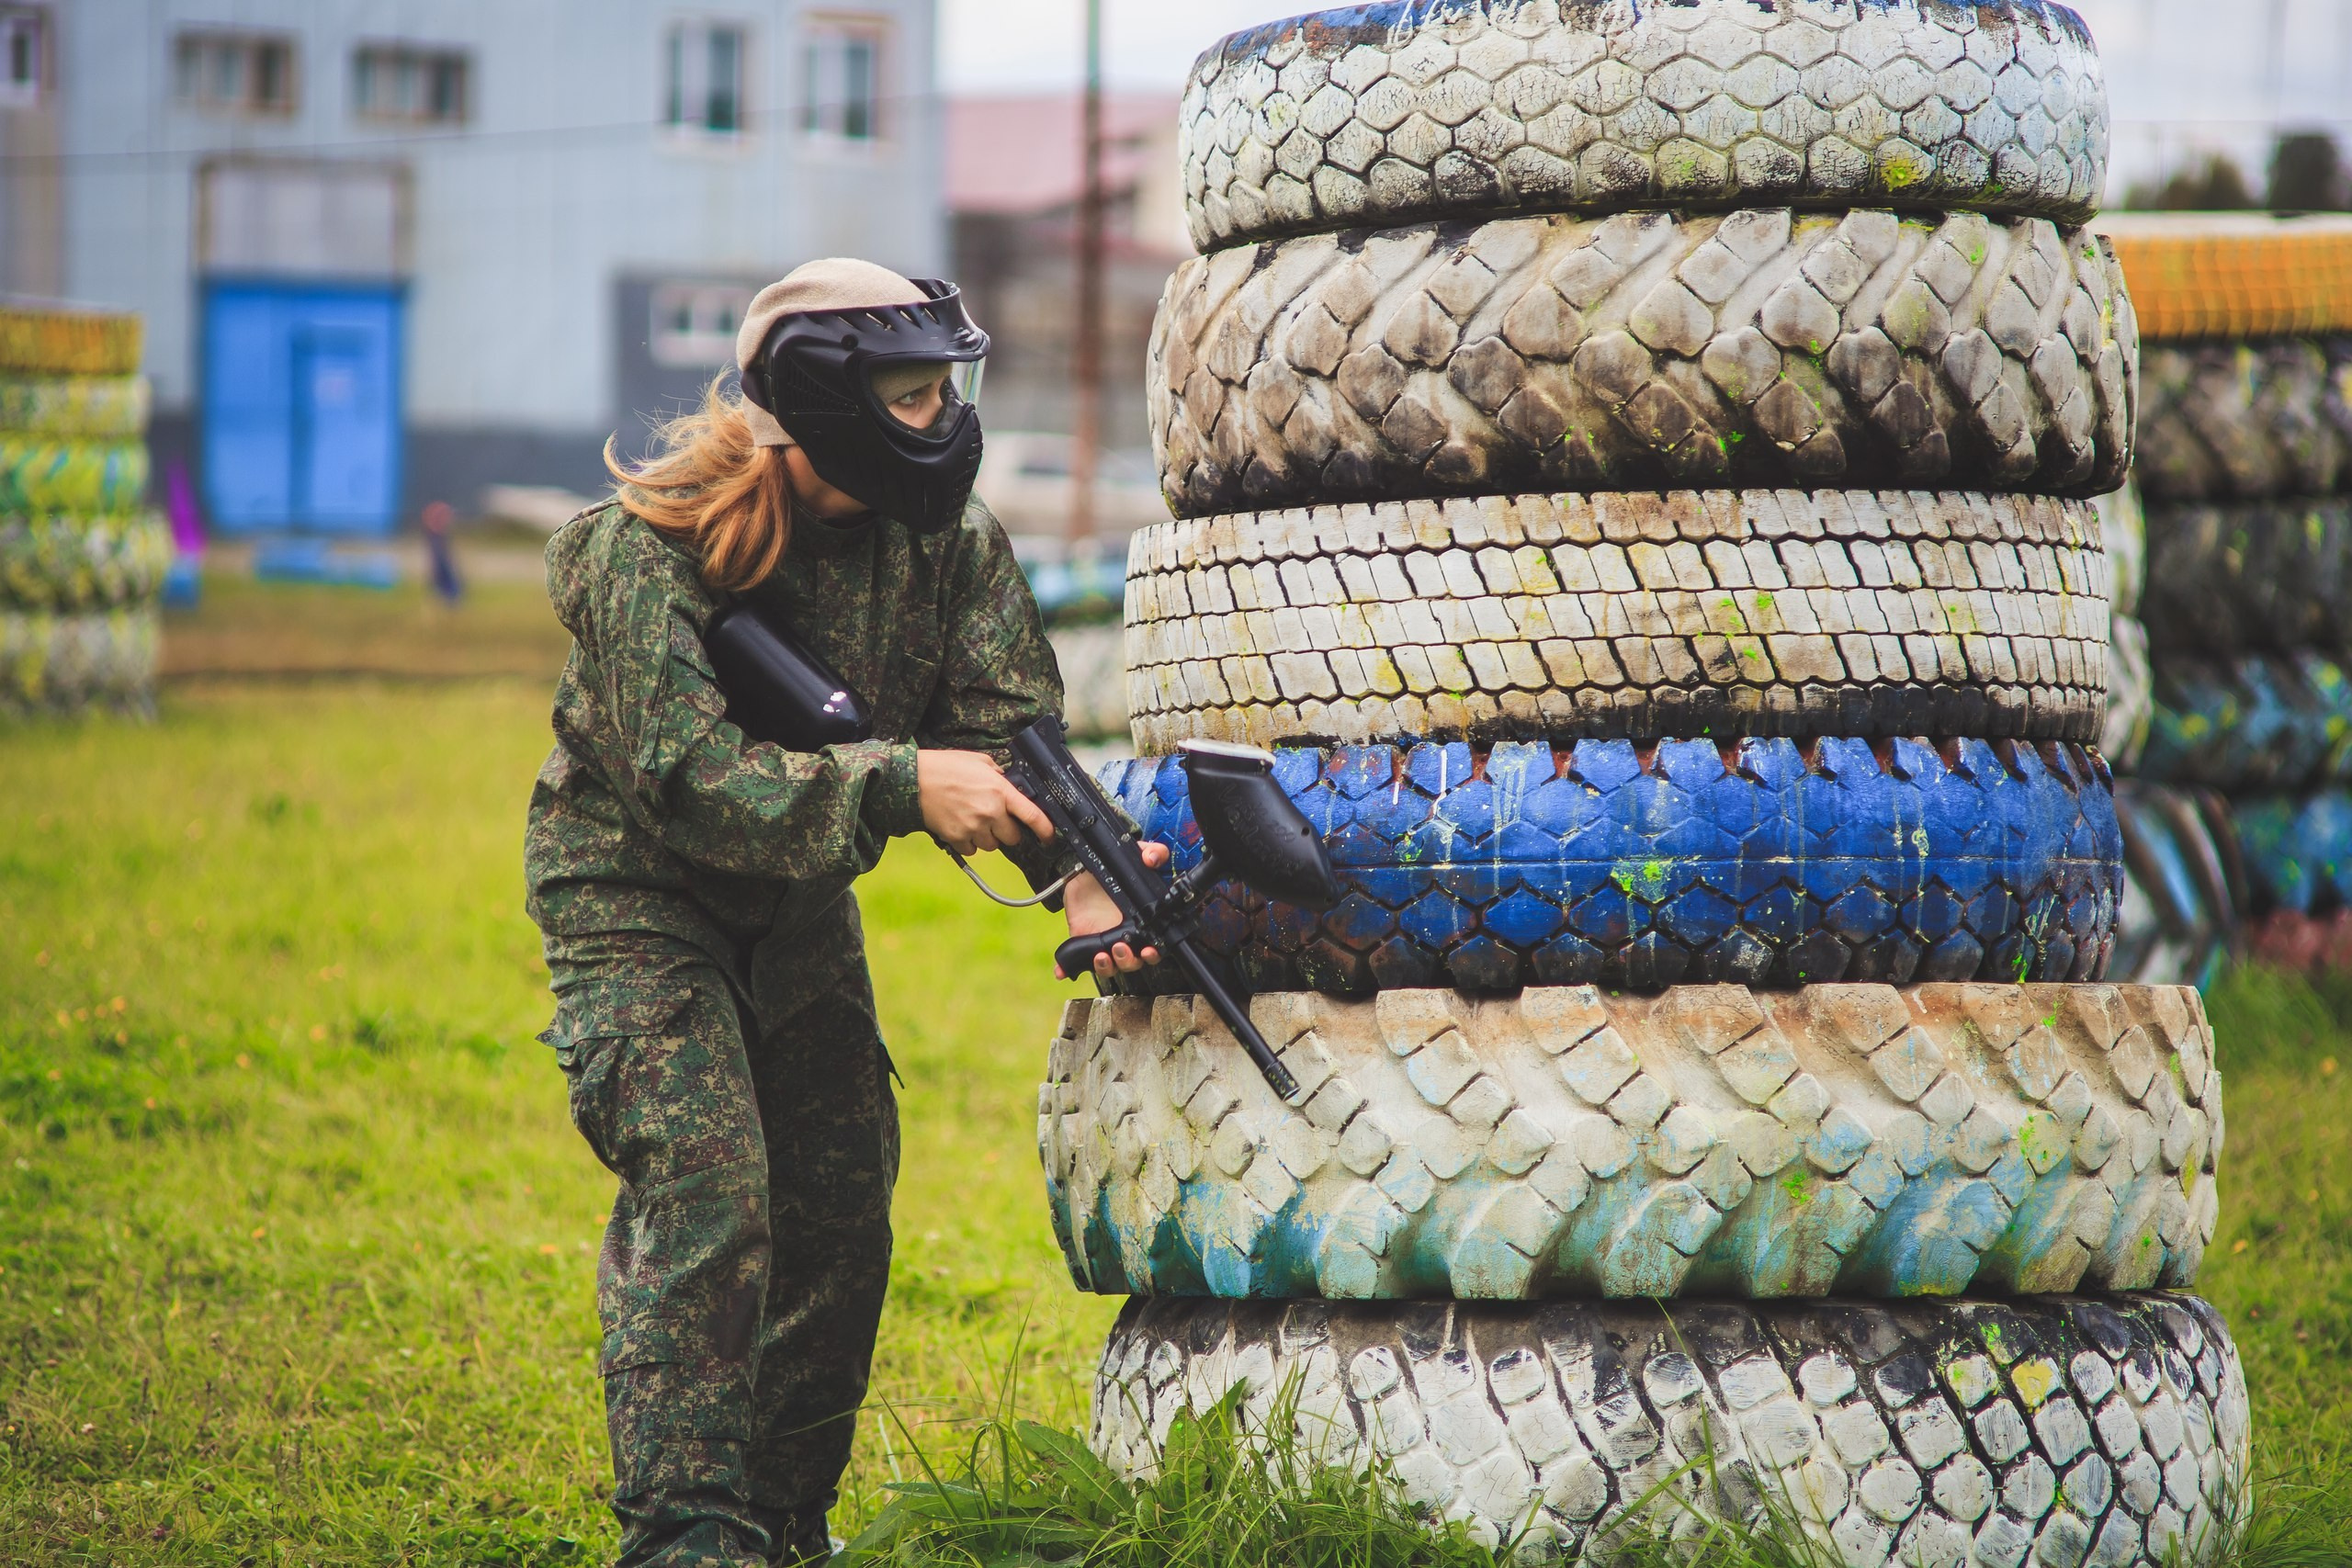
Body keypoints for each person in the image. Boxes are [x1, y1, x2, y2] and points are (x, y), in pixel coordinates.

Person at [523, 258, 1159, 1568]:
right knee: (711, 1194)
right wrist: (900, 786)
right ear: (816, 396)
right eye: (912, 395)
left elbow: (1007, 736)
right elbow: (694, 785)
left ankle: (780, 1520)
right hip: (638, 896)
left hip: (799, 908)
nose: (943, 421)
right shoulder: (644, 554)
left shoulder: (949, 546)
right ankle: (689, 1536)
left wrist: (1093, 875)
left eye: (948, 390)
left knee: (840, 1201)